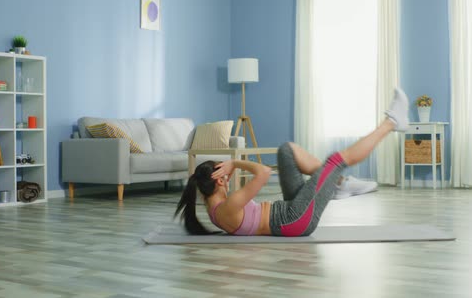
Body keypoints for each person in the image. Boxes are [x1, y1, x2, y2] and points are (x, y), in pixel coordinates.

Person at [175, 88, 409, 236]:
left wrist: (225, 170)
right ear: (216, 179)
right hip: (295, 219)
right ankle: (392, 122)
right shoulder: (228, 205)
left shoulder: (213, 206)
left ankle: (337, 185)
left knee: (286, 151)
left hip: (288, 211)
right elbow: (264, 172)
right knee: (336, 160)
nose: (228, 179)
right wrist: (235, 163)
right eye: (224, 176)